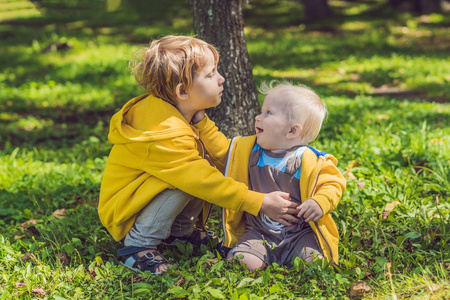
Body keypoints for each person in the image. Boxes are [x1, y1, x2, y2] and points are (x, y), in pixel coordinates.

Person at [98, 36, 300, 275]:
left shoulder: (176, 113)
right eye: (211, 74)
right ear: (182, 91)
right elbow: (202, 181)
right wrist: (259, 202)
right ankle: (138, 246)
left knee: (198, 170)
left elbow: (227, 157)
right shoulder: (164, 133)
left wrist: (203, 126)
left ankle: (180, 234)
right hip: (126, 210)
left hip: (141, 198)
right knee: (194, 178)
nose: (221, 78)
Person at [209, 82, 346, 270]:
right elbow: (218, 148)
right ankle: (253, 255)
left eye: (268, 113)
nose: (258, 117)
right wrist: (200, 123)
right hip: (258, 231)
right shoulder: (248, 151)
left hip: (299, 233)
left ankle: (294, 256)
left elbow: (333, 184)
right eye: (261, 111)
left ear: (292, 131)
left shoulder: (311, 160)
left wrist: (319, 202)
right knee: (244, 262)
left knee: (316, 263)